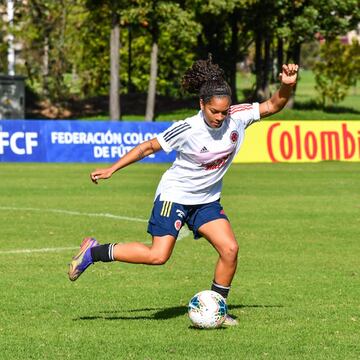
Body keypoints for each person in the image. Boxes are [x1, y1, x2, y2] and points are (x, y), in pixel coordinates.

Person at [68, 57, 298, 326]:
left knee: (230, 249)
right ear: (202, 105)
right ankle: (93, 252)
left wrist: (287, 86)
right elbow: (146, 148)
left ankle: (217, 308)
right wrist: (112, 169)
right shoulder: (187, 128)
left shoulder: (238, 117)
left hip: (207, 200)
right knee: (158, 256)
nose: (220, 117)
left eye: (224, 112)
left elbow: (273, 104)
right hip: (175, 195)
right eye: (214, 112)